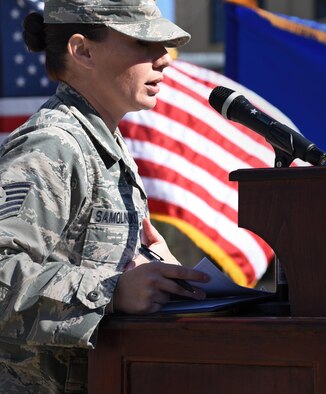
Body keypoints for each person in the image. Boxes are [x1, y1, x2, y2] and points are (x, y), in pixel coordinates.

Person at [0, 1, 210, 392]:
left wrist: (153, 268)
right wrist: (112, 291)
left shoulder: (102, 146)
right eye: (142, 42)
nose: (164, 59)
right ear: (82, 51)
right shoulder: (52, 146)